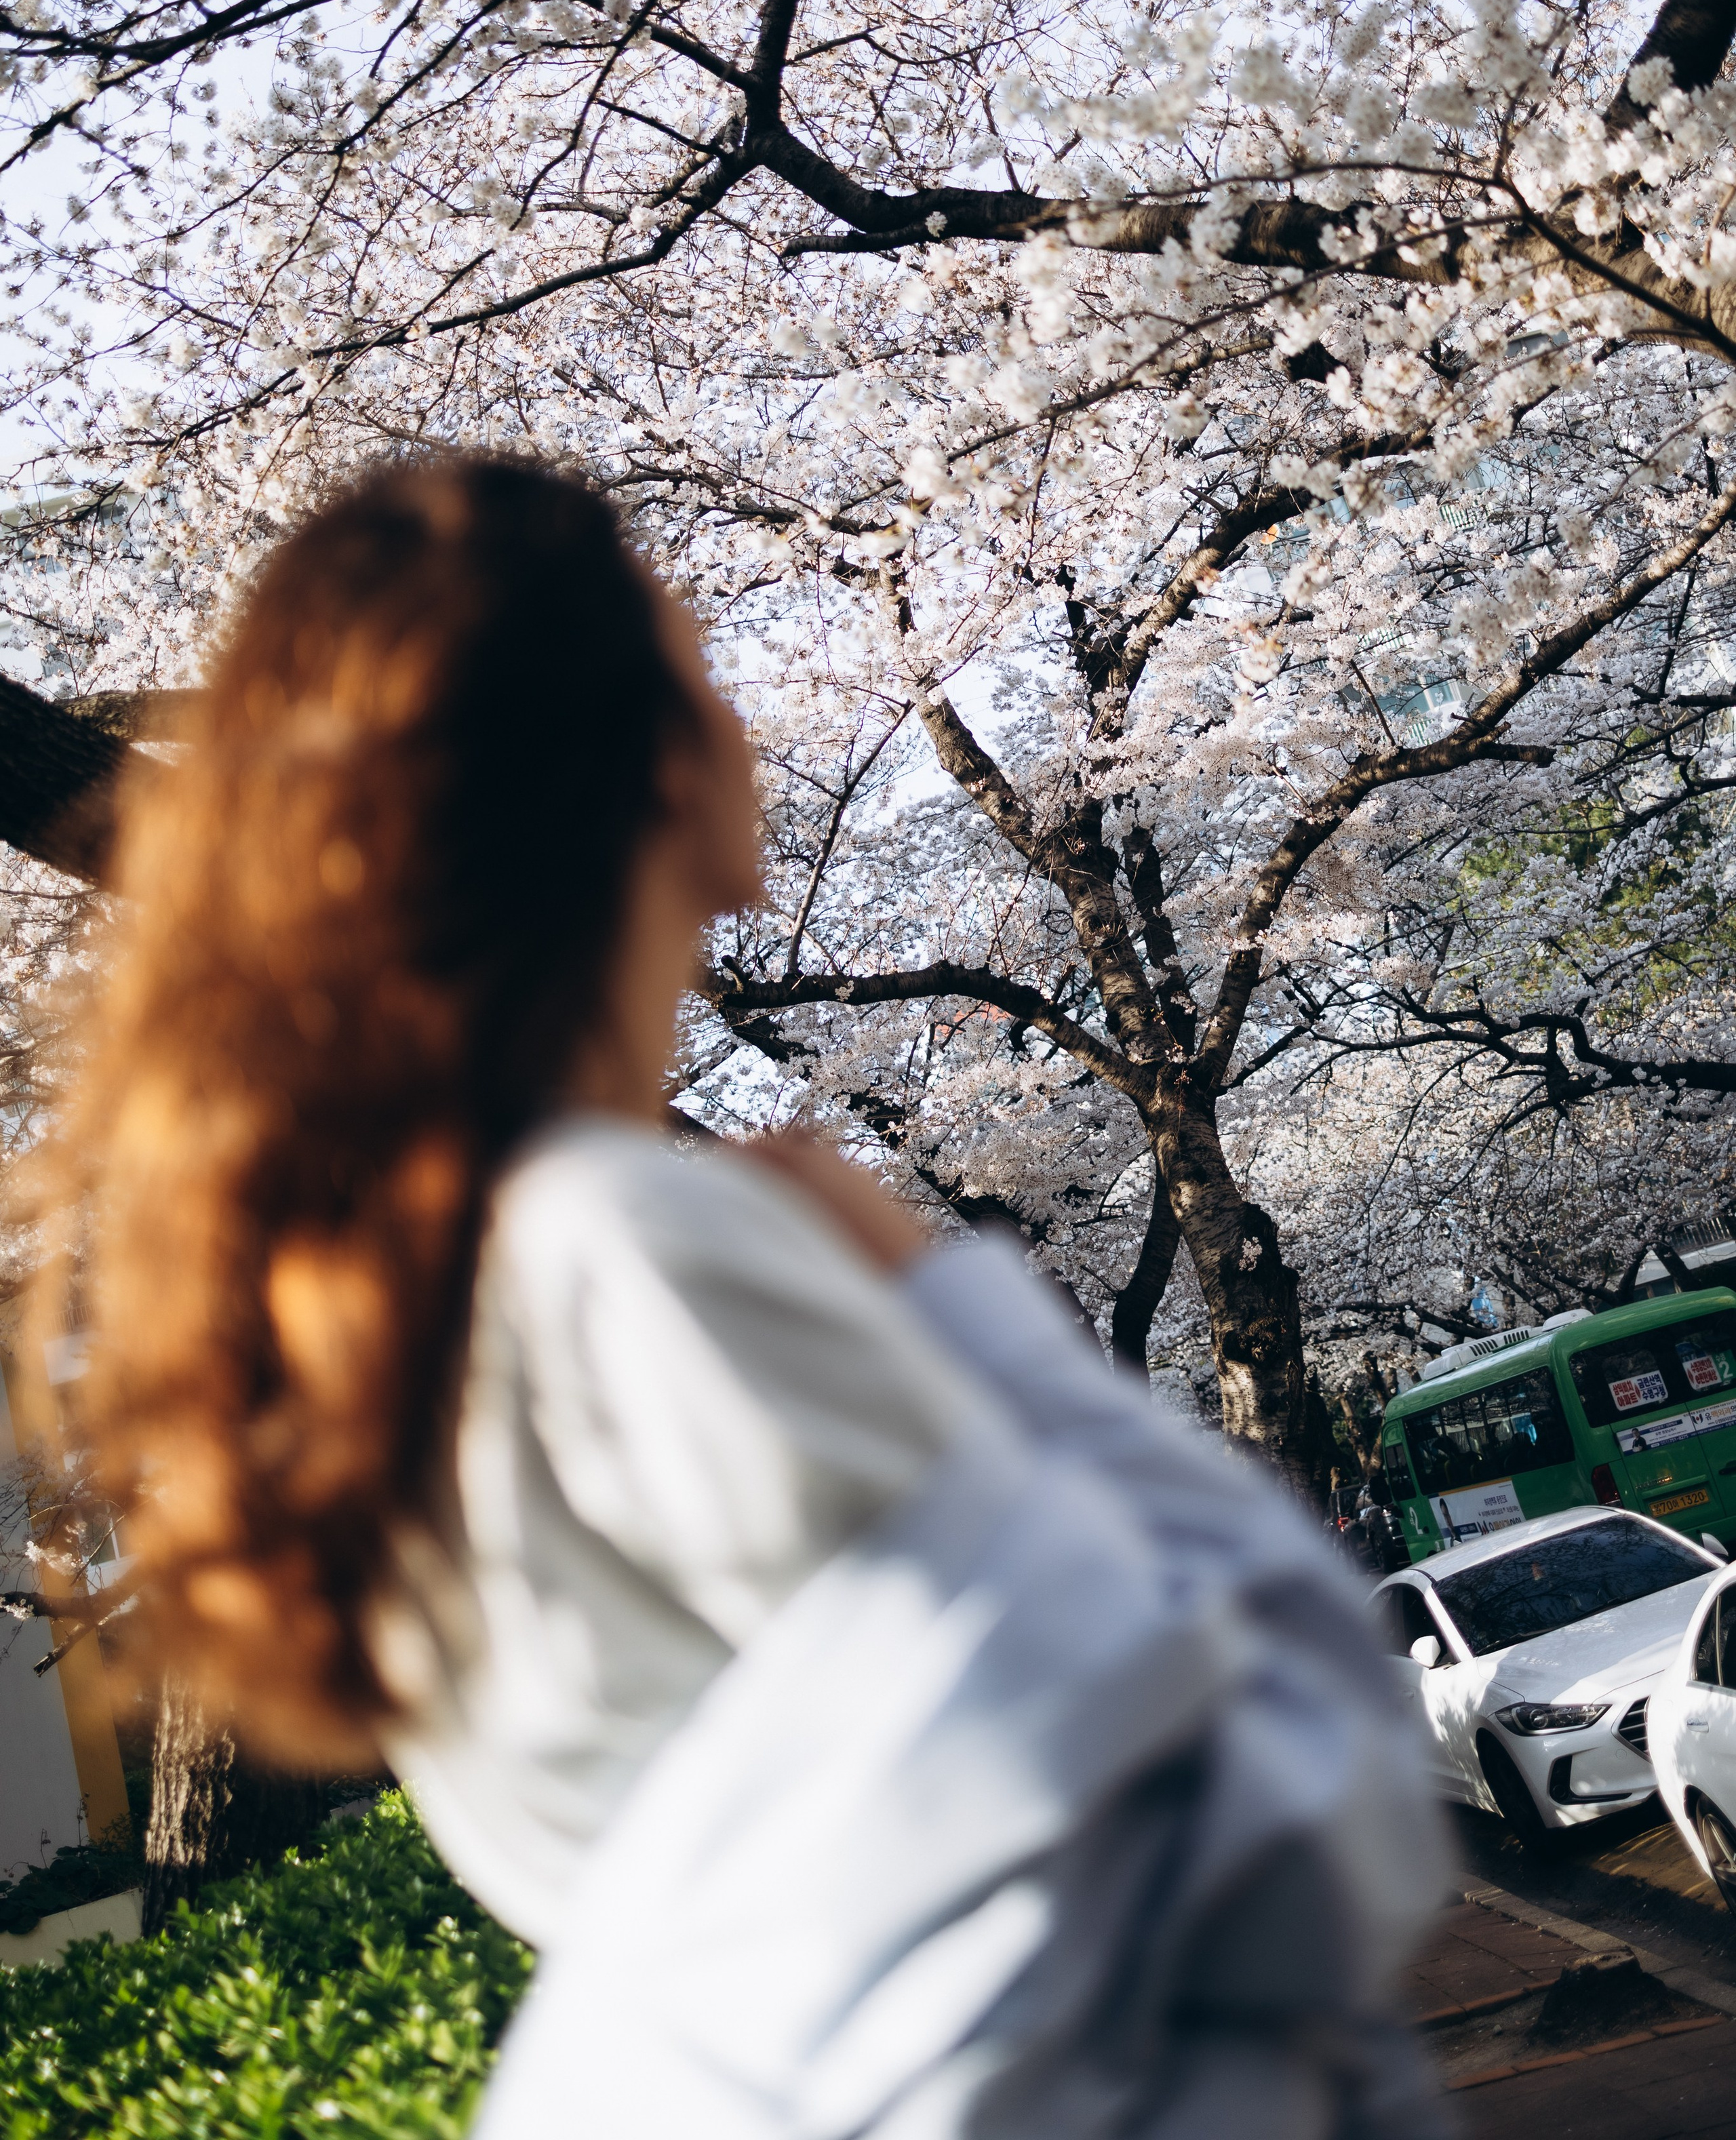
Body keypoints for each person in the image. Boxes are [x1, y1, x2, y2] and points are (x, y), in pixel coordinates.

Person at [52, 456, 1449, 2138]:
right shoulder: (624, 1256)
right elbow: (1308, 1824)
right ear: (653, 762)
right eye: (705, 664)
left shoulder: (390, 1329)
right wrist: (962, 1320)